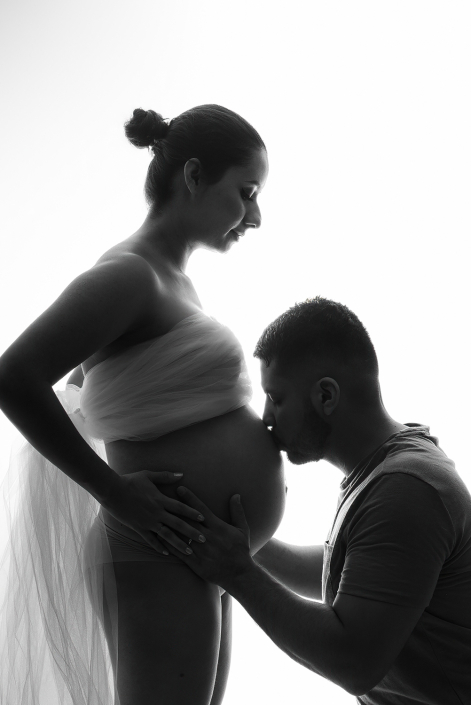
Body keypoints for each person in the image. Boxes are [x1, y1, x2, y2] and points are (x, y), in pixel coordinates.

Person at [0, 105, 286, 705]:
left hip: (190, 554)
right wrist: (115, 491)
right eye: (247, 192)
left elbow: (90, 390)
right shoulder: (131, 276)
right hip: (156, 551)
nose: (255, 216)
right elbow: (14, 377)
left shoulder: (174, 282)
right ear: (192, 175)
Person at [168, 297, 471, 705]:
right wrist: (247, 543)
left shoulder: (406, 489)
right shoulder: (384, 471)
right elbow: (354, 577)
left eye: (276, 397)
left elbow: (354, 662)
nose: (265, 417)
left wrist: (237, 573)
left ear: (326, 396)